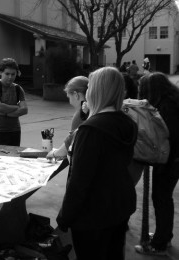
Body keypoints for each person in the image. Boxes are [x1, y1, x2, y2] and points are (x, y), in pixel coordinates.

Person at [56, 67, 138, 260]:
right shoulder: (127, 122)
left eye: (90, 86)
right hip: (119, 206)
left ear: (97, 90)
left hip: (93, 215)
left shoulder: (91, 129)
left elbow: (79, 181)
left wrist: (64, 218)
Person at [135, 72, 179, 256]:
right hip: (173, 159)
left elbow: (163, 135)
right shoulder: (173, 101)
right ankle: (164, 235)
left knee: (161, 198)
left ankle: (159, 244)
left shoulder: (166, 107)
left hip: (170, 160)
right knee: (164, 198)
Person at [0, 58, 28, 146]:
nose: (10, 77)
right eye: (7, 74)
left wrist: (6, 113)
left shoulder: (18, 88)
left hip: (15, 130)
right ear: (0, 73)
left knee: (14, 157)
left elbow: (24, 109)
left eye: (13, 74)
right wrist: (16, 107)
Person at [46, 76, 88, 162]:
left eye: (69, 97)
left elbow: (72, 143)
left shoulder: (80, 114)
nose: (69, 102)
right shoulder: (92, 110)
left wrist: (55, 153)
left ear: (76, 95)